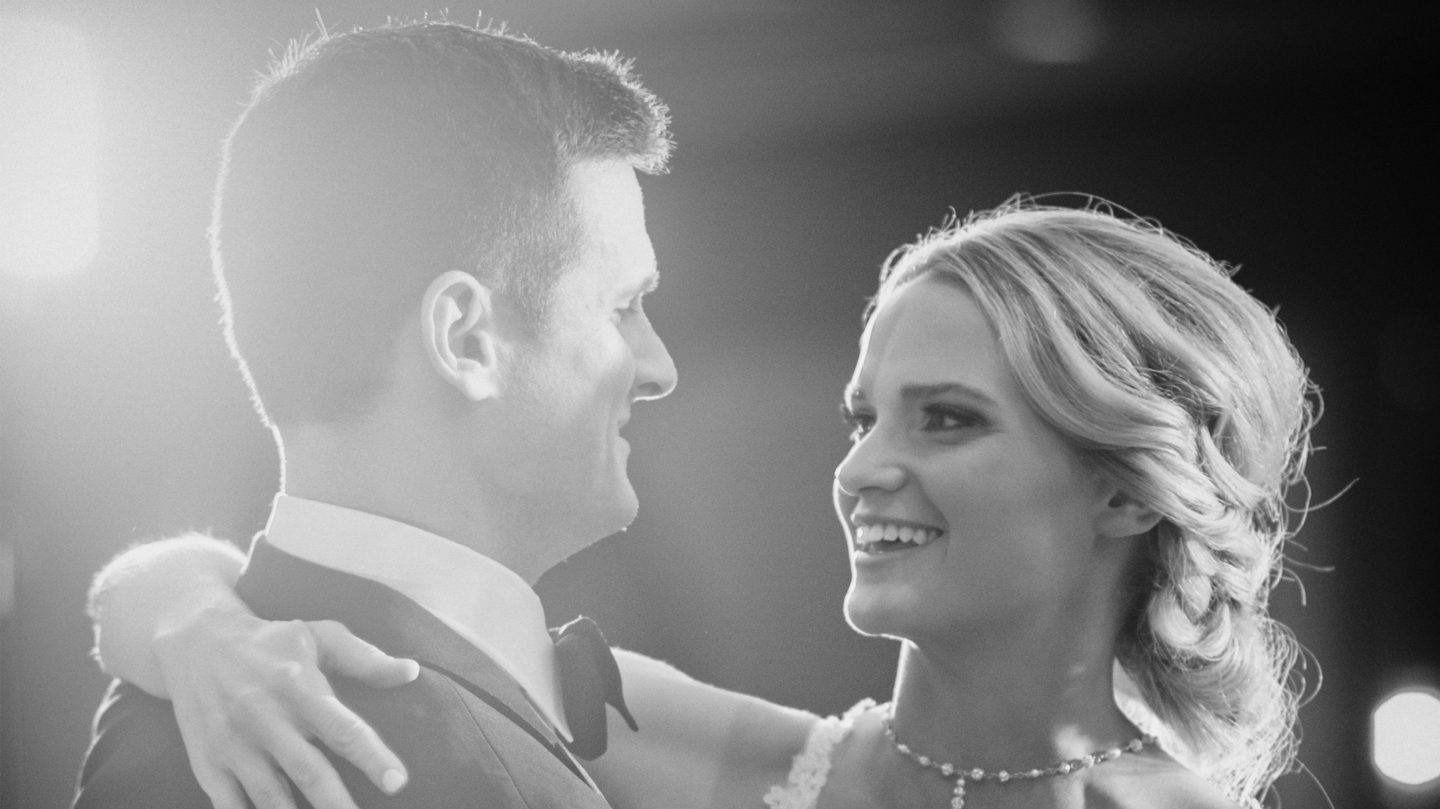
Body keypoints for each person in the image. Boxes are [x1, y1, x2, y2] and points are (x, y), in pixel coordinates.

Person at [88, 198, 1319, 809]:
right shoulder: (731, 758)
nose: (864, 468)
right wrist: (202, 633)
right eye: (864, 415)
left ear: (1121, 484)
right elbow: (303, 586)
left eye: (946, 417)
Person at [72, 18, 686, 809]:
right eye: (624, 306)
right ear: (465, 338)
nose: (660, 368)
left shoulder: (160, 706)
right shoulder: (434, 765)